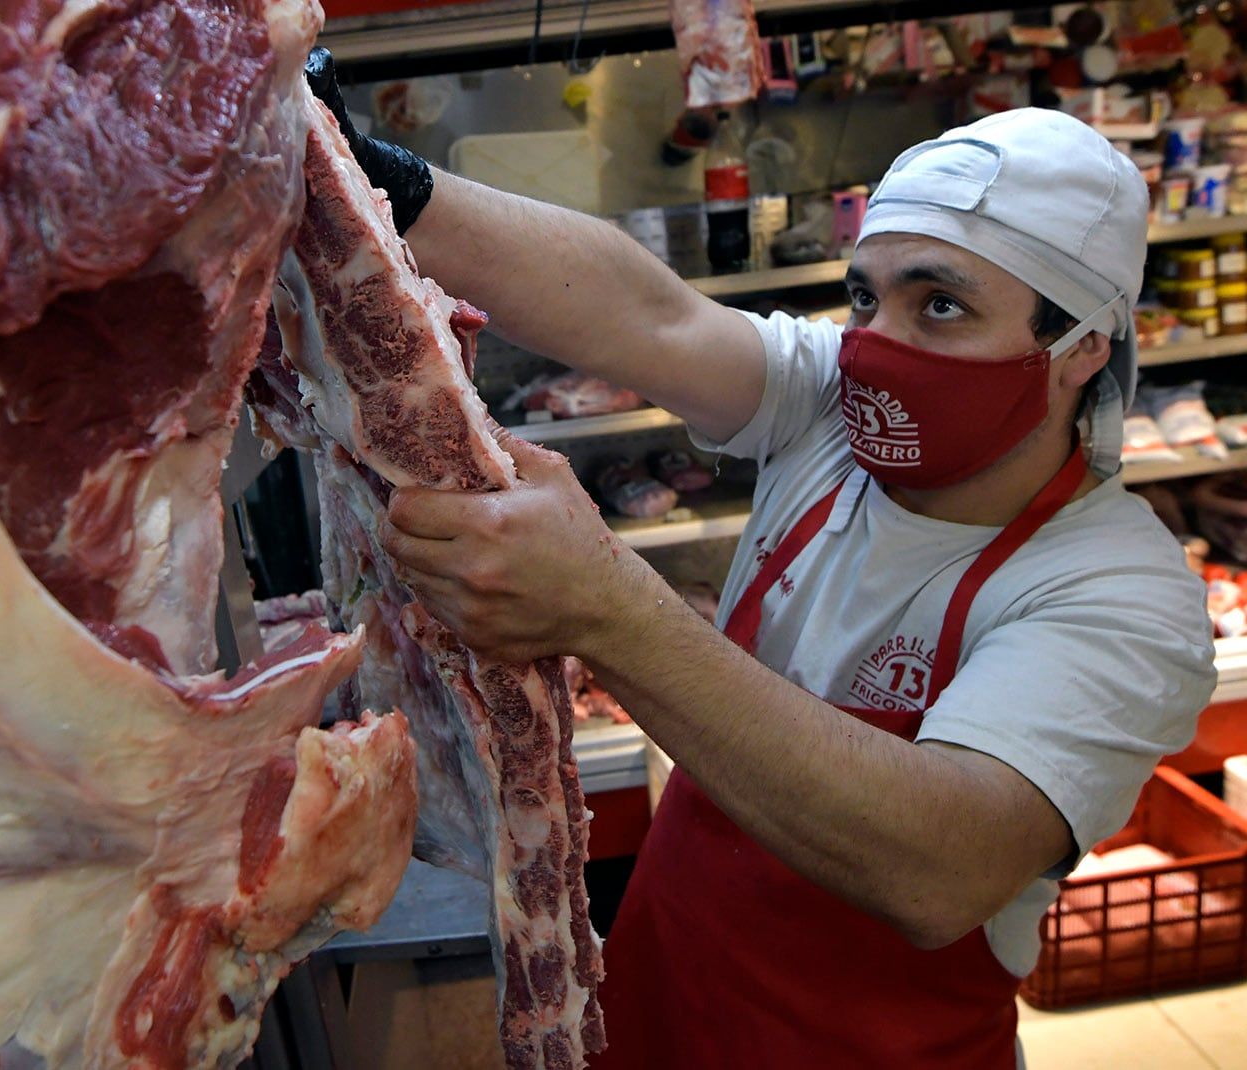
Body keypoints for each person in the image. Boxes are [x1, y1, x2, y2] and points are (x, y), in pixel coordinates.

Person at [306, 51, 1217, 1066]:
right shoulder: (833, 409)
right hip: (658, 1009)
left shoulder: (1117, 593)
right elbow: (647, 313)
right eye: (865, 298)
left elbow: (935, 867)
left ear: (1083, 343)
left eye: (940, 305)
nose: (877, 343)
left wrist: (606, 607)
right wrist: (374, 177)